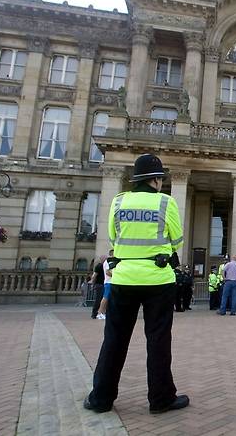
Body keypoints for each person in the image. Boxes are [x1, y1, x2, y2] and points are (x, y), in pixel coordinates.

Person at [84, 153, 189, 414]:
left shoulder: (119, 202)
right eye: (161, 179)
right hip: (158, 278)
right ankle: (161, 399)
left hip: (124, 278)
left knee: (114, 340)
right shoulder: (166, 203)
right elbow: (177, 240)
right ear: (154, 180)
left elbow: (112, 237)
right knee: (158, 341)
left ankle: (101, 398)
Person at [95, 249, 115, 320]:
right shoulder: (109, 261)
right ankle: (100, 313)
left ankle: (102, 312)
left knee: (107, 298)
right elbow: (108, 272)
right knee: (105, 298)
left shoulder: (109, 261)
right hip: (109, 282)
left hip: (109, 282)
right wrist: (116, 276)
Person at [90, 255, 106, 319]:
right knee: (98, 300)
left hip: (102, 284)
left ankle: (99, 313)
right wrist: (93, 283)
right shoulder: (99, 266)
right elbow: (94, 276)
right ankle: (95, 313)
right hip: (100, 285)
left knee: (101, 300)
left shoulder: (104, 266)